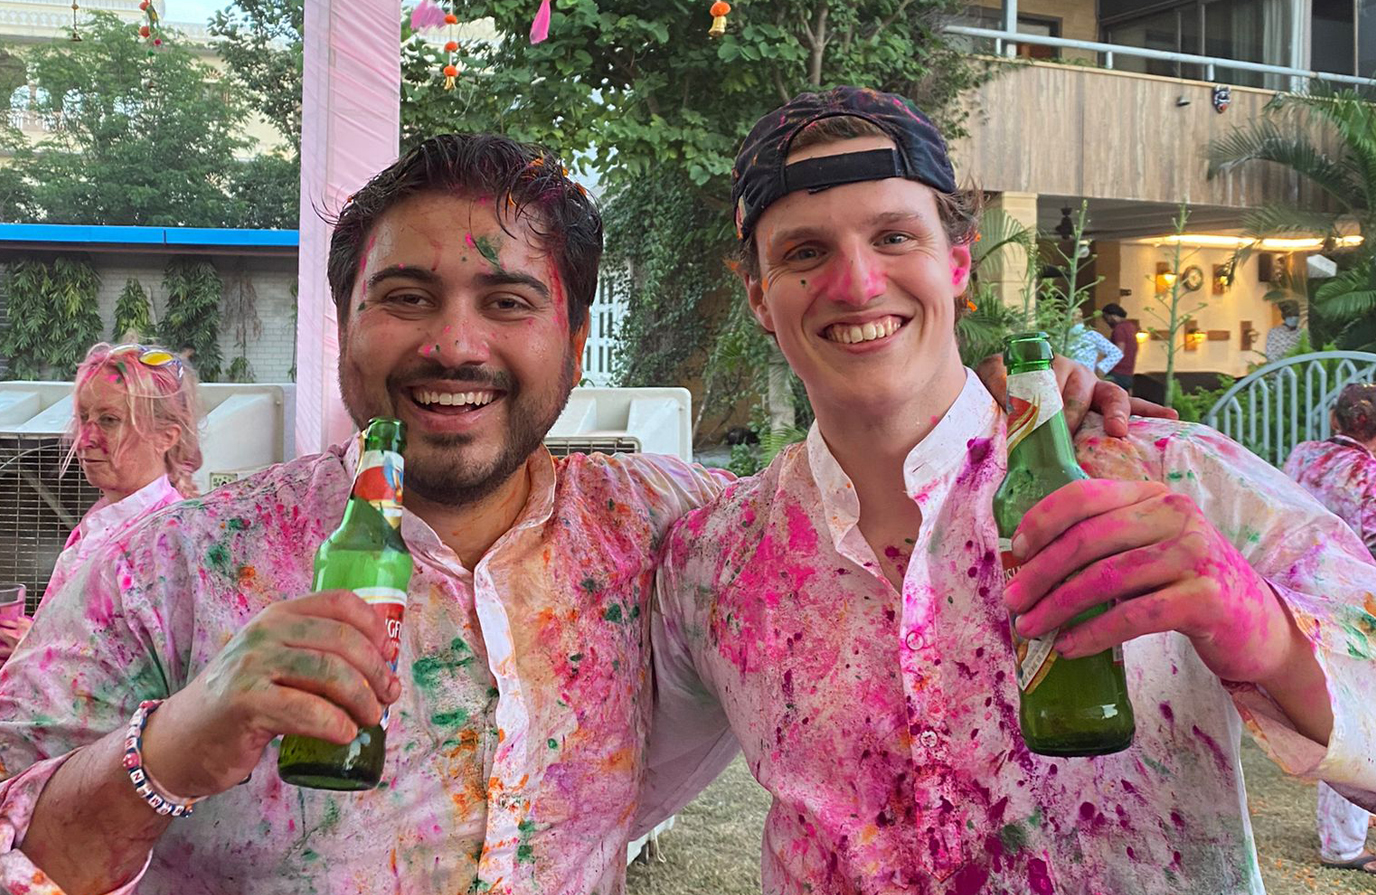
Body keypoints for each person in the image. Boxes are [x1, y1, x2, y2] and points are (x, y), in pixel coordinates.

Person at [0, 133, 1144, 894]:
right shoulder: (172, 559)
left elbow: (875, 522)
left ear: (573, 336)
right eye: (404, 298)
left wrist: (1025, 421)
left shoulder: (676, 536)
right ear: (341, 320)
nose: (455, 345)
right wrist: (170, 749)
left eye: (506, 302)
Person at [641, 87, 1376, 895]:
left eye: (894, 236)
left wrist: (1264, 631)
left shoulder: (1165, 477)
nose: (855, 283)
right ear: (757, 296)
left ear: (958, 263)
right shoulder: (713, 563)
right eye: (804, 252)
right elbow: (593, 792)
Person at [0, 343, 201, 662]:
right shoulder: (105, 519)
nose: (85, 438)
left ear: (167, 436)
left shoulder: (167, 543)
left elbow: (155, 680)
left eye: (109, 420)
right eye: (83, 418)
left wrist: (36, 649)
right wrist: (29, 638)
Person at [1284, 382, 1376, 873]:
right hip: (1354, 609)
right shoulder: (1369, 473)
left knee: (1339, 721)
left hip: (1295, 598)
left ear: (1337, 421)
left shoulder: (1302, 456)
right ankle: (1343, 845)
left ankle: (1341, 837)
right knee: (1360, 723)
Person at [1064, 308, 1123, 377]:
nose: (1073, 319)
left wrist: (1101, 368)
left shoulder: (1091, 335)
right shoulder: (1061, 336)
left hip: (1085, 378)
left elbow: (1116, 353)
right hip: (1064, 377)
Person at [1102, 301, 1138, 392]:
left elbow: (1118, 351)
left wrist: (1103, 368)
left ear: (1113, 316)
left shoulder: (1119, 329)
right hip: (1129, 372)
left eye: (1106, 318)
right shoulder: (1131, 327)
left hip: (1117, 372)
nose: (1106, 322)